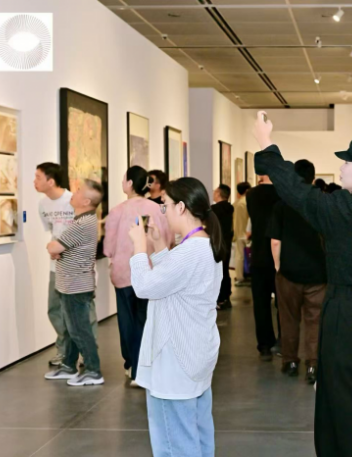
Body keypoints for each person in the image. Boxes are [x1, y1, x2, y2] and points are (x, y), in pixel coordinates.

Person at [253, 112, 352, 457]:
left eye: (347, 163)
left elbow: (298, 194)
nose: (341, 168)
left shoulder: (350, 210)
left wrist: (266, 143)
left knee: (343, 411)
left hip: (346, 317)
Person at [129, 177, 224, 454]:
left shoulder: (189, 252)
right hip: (195, 354)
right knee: (198, 434)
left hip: (175, 362)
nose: (164, 212)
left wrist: (139, 249)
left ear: (181, 207)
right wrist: (159, 247)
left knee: (175, 444)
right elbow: (174, 283)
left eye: (166, 205)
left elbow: (146, 287)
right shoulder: (205, 245)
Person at [103, 166, 172, 383]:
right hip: (151, 271)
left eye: (124, 179)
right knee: (145, 319)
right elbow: (167, 239)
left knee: (126, 320)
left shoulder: (116, 211)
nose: (122, 182)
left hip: (123, 273)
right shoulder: (158, 209)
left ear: (130, 183)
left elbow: (108, 248)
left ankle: (131, 363)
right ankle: (143, 367)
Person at [269, 160, 326, 384]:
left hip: (289, 272)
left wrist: (278, 266)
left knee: (289, 319)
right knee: (315, 320)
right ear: (313, 177)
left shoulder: (283, 204)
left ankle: (291, 361)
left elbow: (275, 241)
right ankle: (313, 364)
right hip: (319, 274)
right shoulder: (322, 204)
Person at [44, 180, 105, 386]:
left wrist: (54, 248)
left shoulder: (82, 224)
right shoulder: (82, 220)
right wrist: (57, 249)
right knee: (71, 329)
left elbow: (55, 247)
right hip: (70, 284)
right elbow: (60, 249)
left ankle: (93, 371)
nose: (73, 193)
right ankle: (69, 365)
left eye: (78, 191)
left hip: (75, 286)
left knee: (79, 330)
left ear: (86, 201)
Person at [35, 162, 75, 367]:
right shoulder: (43, 205)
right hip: (55, 266)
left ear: (51, 181)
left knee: (80, 312)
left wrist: (64, 249)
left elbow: (82, 233)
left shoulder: (73, 201)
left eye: (38, 177)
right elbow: (52, 230)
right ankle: (65, 350)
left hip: (75, 266)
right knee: (54, 309)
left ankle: (85, 352)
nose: (34, 181)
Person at [247, 174, 281, 361]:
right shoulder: (283, 193)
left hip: (259, 254)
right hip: (280, 256)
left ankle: (265, 345)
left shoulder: (251, 194)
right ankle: (284, 341)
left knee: (261, 304)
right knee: (283, 304)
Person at [212, 184, 235, 310]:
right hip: (227, 243)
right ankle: (225, 297)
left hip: (217, 244)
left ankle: (220, 297)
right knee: (225, 270)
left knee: (218, 271)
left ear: (218, 194)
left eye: (215, 191)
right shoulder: (230, 208)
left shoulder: (214, 210)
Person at [233, 182, 251, 287]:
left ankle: (240, 276)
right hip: (247, 233)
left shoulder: (236, 203)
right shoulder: (248, 202)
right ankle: (247, 275)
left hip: (238, 233)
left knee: (239, 256)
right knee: (248, 256)